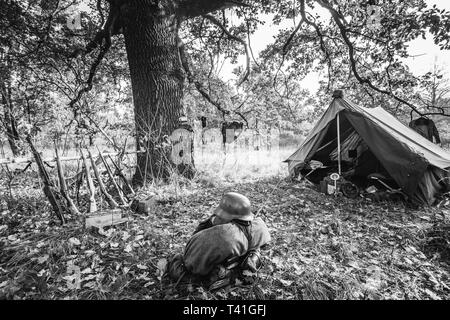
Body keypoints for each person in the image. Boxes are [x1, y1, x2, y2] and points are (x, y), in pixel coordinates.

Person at [167, 192, 271, 290]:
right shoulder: (259, 226)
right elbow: (264, 242)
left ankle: (227, 276)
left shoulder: (216, 237)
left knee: (181, 270)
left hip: (221, 269)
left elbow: (191, 264)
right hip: (238, 257)